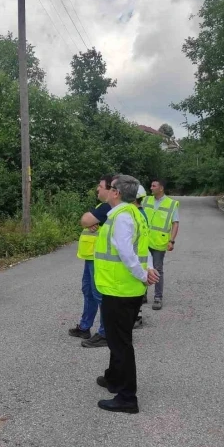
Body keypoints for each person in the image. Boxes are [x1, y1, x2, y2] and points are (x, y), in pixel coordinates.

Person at [94, 175, 158, 414]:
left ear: (117, 193)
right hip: (127, 289)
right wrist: (148, 270)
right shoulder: (134, 214)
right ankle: (113, 378)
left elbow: (126, 252)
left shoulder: (121, 217)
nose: (108, 191)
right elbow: (143, 248)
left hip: (119, 289)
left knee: (120, 343)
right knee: (116, 338)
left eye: (110, 188)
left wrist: (143, 274)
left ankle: (127, 397)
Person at [69, 175, 113, 349]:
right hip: (90, 256)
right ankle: (85, 327)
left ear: (110, 189)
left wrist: (89, 220)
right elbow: (85, 220)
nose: (97, 189)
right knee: (88, 291)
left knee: (99, 295)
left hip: (99, 257)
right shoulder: (100, 207)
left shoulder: (107, 207)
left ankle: (104, 333)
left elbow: (85, 220)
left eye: (100, 186)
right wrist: (88, 220)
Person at [142, 176, 180, 310]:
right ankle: (143, 294)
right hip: (144, 240)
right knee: (143, 266)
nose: (151, 188)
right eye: (151, 186)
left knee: (157, 269)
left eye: (154, 186)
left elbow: (175, 223)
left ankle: (158, 297)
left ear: (161, 188)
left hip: (159, 242)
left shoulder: (171, 204)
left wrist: (172, 240)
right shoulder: (146, 200)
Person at [133, 184, 148, 329]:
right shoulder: (142, 212)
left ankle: (137, 317)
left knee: (135, 288)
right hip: (141, 256)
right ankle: (136, 316)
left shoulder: (136, 214)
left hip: (136, 256)